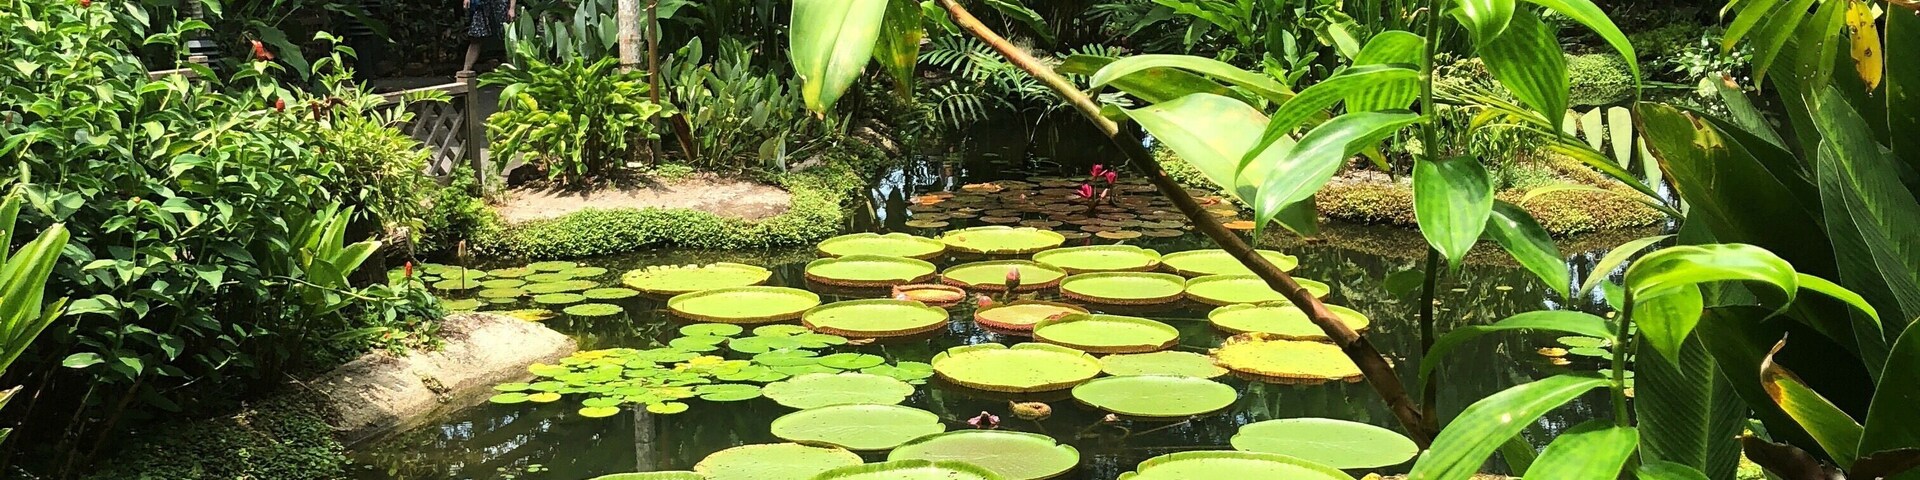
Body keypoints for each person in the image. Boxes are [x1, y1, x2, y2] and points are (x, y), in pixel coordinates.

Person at [464, 0, 516, 72]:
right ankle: (465, 71)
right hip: (482, 6)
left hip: (501, 6)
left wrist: (512, 8)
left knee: (507, 38)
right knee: (476, 38)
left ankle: (515, 71)